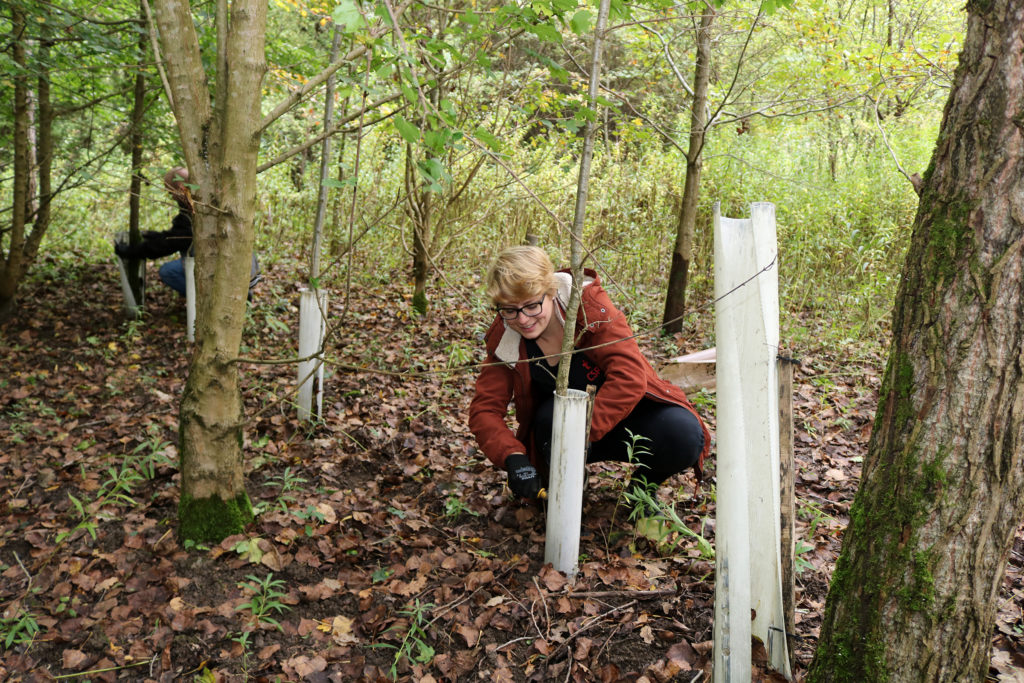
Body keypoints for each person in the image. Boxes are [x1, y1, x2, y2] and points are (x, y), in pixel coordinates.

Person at [469, 246, 711, 502]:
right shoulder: (506, 337)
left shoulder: (590, 308)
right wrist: (513, 456)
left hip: (628, 417)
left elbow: (629, 376)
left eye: (531, 305)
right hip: (554, 434)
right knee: (549, 430)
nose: (523, 319)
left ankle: (642, 489)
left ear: (550, 292)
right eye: (509, 309)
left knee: (683, 435)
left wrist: (581, 433)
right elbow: (484, 410)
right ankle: (569, 486)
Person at [115, 167, 261, 297]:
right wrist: (153, 235)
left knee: (168, 271)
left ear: (179, 187)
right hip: (246, 271)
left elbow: (171, 243)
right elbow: (178, 235)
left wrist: (131, 252)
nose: (170, 197)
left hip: (230, 274)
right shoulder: (209, 198)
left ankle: (208, 300)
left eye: (170, 191)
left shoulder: (195, 210)